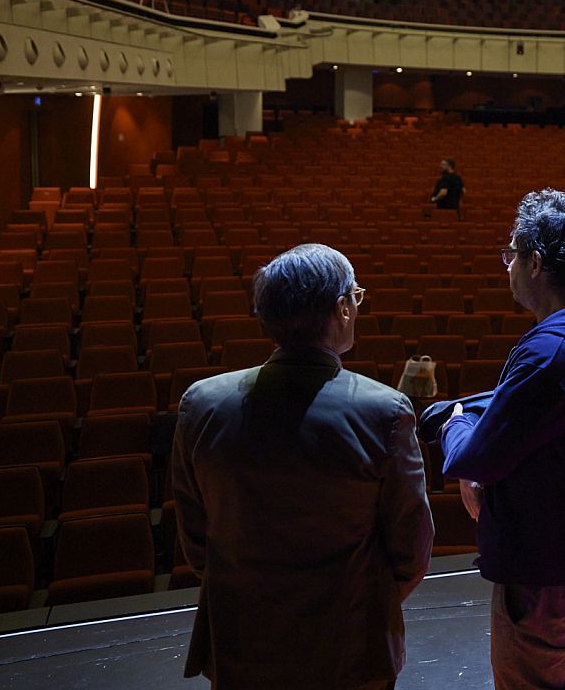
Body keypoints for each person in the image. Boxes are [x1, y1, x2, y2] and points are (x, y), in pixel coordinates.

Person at [171, 244, 433, 690]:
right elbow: (411, 544)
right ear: (342, 308)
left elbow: (197, 538)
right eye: (356, 297)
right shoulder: (385, 411)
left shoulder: (201, 404)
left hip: (240, 643)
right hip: (350, 646)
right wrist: (371, 599)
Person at [439, 189, 565, 690]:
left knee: (531, 677)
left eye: (511, 254)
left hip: (543, 567)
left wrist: (452, 421)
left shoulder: (550, 352)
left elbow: (474, 459)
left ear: (535, 263)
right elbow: (533, 407)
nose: (506, 266)